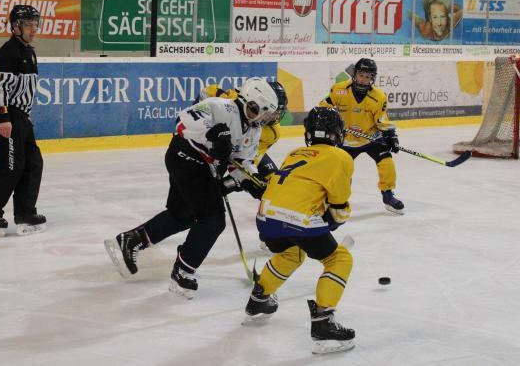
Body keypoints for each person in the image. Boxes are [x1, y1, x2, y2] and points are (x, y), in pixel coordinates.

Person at [105, 78, 280, 298]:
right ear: (254, 103)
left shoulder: (253, 131)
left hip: (199, 167)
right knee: (213, 219)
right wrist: (214, 133)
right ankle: (183, 271)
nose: (267, 119)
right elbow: (183, 120)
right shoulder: (221, 107)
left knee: (183, 214)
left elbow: (240, 163)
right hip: (184, 157)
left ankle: (132, 240)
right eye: (266, 112)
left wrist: (251, 182)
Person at [246, 107, 355, 354]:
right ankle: (323, 324)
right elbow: (338, 205)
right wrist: (335, 220)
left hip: (266, 218)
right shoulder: (340, 157)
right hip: (297, 219)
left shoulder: (295, 153)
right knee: (339, 259)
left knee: (292, 253)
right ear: (336, 133)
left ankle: (258, 300)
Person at [0, 5, 46, 236]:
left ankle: (25, 212)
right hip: (4, 114)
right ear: (15, 26)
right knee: (10, 165)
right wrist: (4, 118)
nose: (34, 28)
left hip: (20, 116)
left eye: (35, 23)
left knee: (33, 162)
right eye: (29, 24)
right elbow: (0, 89)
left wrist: (23, 117)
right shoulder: (8, 52)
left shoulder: (29, 51)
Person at [319, 58, 404, 213]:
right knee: (341, 171)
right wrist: (327, 121)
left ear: (373, 78)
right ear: (355, 74)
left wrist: (392, 137)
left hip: (372, 137)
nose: (364, 79)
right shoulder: (339, 90)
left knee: (387, 163)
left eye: (368, 76)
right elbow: (323, 109)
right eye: (361, 75)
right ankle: (338, 199)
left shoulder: (378, 97)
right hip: (346, 141)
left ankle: (387, 194)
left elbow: (382, 120)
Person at [197, 81, 288, 180]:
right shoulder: (233, 101)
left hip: (241, 149)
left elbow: (249, 158)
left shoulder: (273, 132)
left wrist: (228, 184)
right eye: (273, 112)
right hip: (219, 144)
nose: (275, 117)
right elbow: (209, 92)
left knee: (270, 179)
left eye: (278, 113)